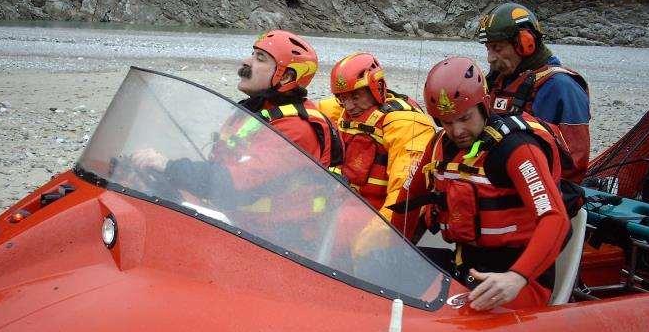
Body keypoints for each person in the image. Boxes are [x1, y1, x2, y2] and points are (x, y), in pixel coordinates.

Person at [390, 56, 570, 311]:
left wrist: (516, 277)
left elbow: (556, 219)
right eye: (446, 121)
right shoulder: (439, 145)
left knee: (449, 320)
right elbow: (408, 199)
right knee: (377, 280)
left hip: (519, 280)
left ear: (484, 104)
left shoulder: (517, 149)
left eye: (465, 118)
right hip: (467, 267)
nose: (457, 131)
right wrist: (390, 252)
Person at [132, 30, 342, 237]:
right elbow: (220, 171)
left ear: (286, 76)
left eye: (260, 59)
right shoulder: (257, 110)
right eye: (252, 54)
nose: (246, 62)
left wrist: (169, 166)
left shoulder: (297, 129)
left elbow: (235, 183)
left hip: (278, 244)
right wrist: (167, 178)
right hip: (240, 226)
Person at [477, 2, 590, 182]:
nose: (490, 58)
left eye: (497, 48)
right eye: (488, 48)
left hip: (537, 187)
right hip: (493, 177)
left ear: (525, 43)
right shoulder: (498, 80)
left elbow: (574, 165)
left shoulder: (561, 87)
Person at [316, 52, 436, 221]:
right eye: (342, 98)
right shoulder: (335, 111)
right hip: (336, 214)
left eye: (355, 97)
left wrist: (376, 237)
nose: (349, 106)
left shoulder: (406, 125)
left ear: (377, 88)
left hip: (374, 222)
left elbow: (403, 192)